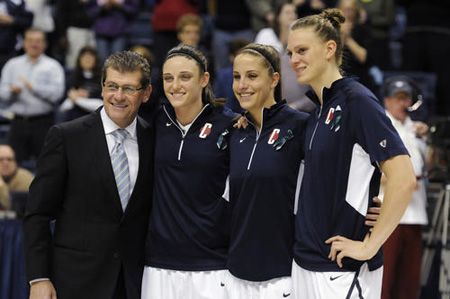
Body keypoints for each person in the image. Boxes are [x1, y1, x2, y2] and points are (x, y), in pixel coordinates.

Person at [287, 9, 416, 299]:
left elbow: (403, 178)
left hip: (341, 270)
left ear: (330, 49)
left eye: (302, 50)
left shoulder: (357, 101)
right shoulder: (318, 110)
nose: (294, 59)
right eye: (291, 52)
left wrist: (369, 245)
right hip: (305, 264)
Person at [23, 50, 154, 299]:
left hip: (134, 283)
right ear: (102, 88)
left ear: (146, 93)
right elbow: (37, 213)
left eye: (129, 89)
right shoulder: (66, 137)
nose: (118, 96)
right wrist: (39, 278)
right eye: (112, 86)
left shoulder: (153, 138)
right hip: (74, 282)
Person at [141, 44, 236, 299]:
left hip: (213, 265)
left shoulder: (231, 125)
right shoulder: (155, 121)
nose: (175, 86)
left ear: (204, 79)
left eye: (185, 77)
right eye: (168, 78)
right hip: (158, 264)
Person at [226, 43, 308, 298]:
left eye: (252, 76)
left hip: (284, 274)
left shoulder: (301, 126)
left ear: (274, 79)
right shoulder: (234, 131)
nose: (242, 85)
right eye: (237, 77)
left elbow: (333, 179)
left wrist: (372, 205)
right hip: (235, 274)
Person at [381, 76, 428, 299]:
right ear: (387, 101)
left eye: (406, 98)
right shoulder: (380, 125)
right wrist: (401, 181)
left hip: (415, 213)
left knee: (409, 282)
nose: (403, 104)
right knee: (384, 279)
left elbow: (431, 165)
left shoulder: (414, 128)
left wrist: (428, 138)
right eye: (398, 98)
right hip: (388, 214)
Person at [0, 28, 65, 164]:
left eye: (38, 41)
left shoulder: (53, 66)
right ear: (24, 43)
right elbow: (2, 93)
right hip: (18, 122)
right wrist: (11, 91)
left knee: (47, 165)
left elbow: (57, 95)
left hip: (43, 123)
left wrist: (33, 88)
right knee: (13, 164)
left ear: (45, 44)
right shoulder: (12, 65)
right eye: (30, 41)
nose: (34, 44)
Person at [59, 46, 103, 121]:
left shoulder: (102, 79)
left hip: (95, 120)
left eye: (90, 57)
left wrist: (76, 99)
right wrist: (73, 98)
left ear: (96, 60)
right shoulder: (72, 78)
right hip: (74, 120)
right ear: (79, 59)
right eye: (84, 57)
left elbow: (102, 106)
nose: (87, 60)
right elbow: (63, 107)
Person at [0, 144, 33, 210]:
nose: (5, 163)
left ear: (15, 162)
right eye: (1, 159)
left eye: (9, 159)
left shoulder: (26, 178)